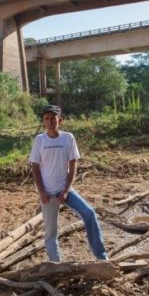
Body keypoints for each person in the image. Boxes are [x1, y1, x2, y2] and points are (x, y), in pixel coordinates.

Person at [29, 105, 108, 262]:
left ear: (60, 120)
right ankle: (57, 265)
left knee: (89, 213)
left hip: (65, 190)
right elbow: (35, 168)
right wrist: (42, 192)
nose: (50, 121)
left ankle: (102, 257)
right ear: (43, 121)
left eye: (53, 118)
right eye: (47, 119)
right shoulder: (40, 140)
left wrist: (65, 190)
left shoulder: (68, 138)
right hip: (47, 194)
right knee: (51, 233)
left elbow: (73, 167)